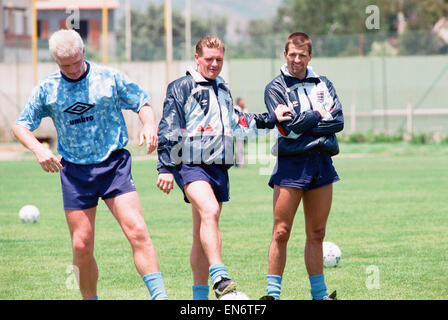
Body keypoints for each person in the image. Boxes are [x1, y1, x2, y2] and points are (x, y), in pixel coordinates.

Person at [12, 29, 168, 300]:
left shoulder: (108, 78)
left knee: (138, 231)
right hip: (74, 172)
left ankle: (160, 297)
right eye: (65, 65)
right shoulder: (47, 88)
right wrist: (38, 149)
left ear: (83, 51)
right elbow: (20, 126)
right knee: (81, 245)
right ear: (56, 62)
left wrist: (149, 124)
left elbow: (142, 102)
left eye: (75, 61)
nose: (72, 69)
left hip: (114, 166)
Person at [156, 36, 292, 300]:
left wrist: (271, 119)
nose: (214, 64)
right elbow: (169, 126)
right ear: (197, 58)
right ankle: (219, 277)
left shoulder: (222, 88)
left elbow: (238, 123)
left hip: (219, 166)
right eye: (209, 59)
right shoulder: (182, 86)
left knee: (201, 234)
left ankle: (199, 299)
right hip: (191, 162)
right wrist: (165, 167)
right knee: (210, 210)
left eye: (219, 59)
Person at [262, 32, 344, 300]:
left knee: (317, 233)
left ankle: (319, 296)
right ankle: (273, 295)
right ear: (285, 55)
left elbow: (338, 121)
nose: (297, 60)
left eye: (302, 55)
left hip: (321, 161)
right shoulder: (275, 88)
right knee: (281, 231)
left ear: (310, 56)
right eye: (292, 55)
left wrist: (304, 122)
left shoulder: (324, 84)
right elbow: (288, 129)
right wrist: (317, 115)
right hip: (291, 164)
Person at [234, 97, 247, 167]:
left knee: (241, 148)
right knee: (239, 147)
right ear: (239, 102)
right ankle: (240, 163)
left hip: (244, 132)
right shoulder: (236, 109)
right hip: (238, 131)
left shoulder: (245, 109)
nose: (244, 103)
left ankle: (238, 162)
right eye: (242, 101)